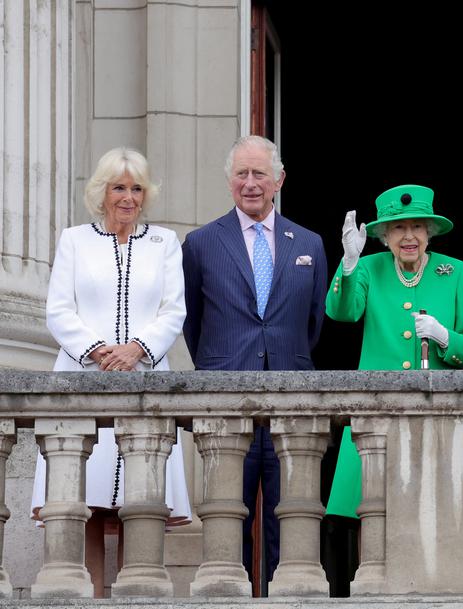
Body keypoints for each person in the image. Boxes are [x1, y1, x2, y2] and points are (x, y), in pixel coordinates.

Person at [33, 146, 191, 597]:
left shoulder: (164, 243)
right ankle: (91, 598)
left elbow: (173, 310)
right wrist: (99, 350)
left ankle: (133, 600)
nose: (128, 197)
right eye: (119, 187)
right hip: (84, 378)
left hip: (145, 379)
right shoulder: (74, 240)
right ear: (102, 193)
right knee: (85, 498)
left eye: (136, 188)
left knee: (138, 505)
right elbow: (59, 310)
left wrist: (136, 349)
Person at [182, 135, 328, 589]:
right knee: (228, 521)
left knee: (292, 520)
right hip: (226, 402)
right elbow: (193, 321)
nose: (250, 183)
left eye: (259, 173)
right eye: (241, 174)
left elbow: (314, 322)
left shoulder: (309, 243)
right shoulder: (201, 243)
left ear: (279, 180)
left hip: (291, 403)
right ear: (229, 181)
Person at [325, 183, 463, 521]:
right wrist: (349, 264)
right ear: (384, 235)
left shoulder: (455, 271)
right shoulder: (369, 267)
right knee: (374, 514)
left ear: (429, 231)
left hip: (436, 416)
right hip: (377, 413)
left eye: (417, 227)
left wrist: (445, 337)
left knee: (433, 516)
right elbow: (342, 312)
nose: (409, 236)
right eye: (399, 227)